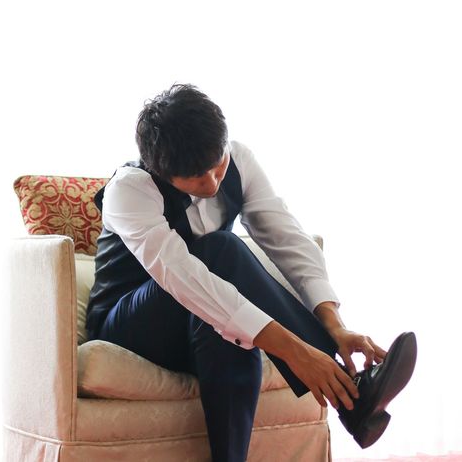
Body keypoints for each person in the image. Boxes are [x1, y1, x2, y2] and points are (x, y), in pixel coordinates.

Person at [86, 83, 416, 462]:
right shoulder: (130, 189)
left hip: (200, 316)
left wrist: (334, 325)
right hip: (130, 327)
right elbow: (183, 278)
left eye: (218, 166)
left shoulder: (239, 159)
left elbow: (287, 238)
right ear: (163, 171)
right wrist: (298, 352)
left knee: (232, 329)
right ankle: (355, 397)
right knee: (222, 252)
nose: (213, 183)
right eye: (196, 178)